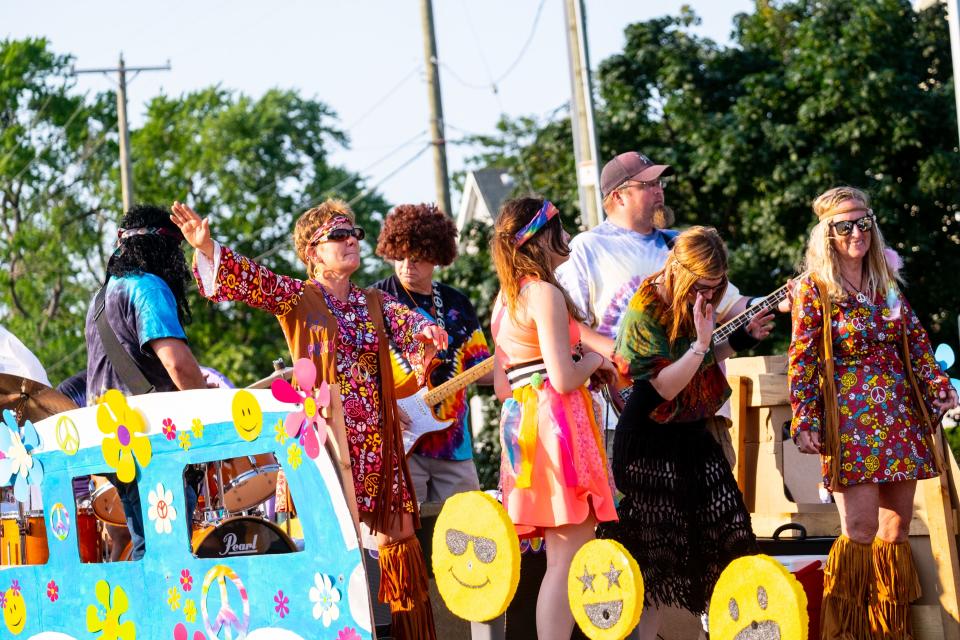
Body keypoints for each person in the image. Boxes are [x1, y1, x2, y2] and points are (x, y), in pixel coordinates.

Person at [172, 198, 446, 640]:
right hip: (324, 443)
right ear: (313, 252)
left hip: (379, 444)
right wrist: (207, 249)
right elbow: (251, 282)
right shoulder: (298, 297)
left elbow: (410, 325)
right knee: (332, 555)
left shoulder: (373, 300)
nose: (351, 241)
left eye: (354, 233)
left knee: (401, 548)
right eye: (338, 236)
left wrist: (426, 333)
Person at [788, 186, 958, 638]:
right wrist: (805, 418)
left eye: (864, 222)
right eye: (845, 225)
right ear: (827, 234)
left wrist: (939, 386)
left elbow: (918, 343)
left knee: (896, 529)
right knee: (860, 530)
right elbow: (802, 358)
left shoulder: (885, 283)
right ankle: (848, 632)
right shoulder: (813, 290)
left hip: (898, 418)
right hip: (849, 423)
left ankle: (889, 630)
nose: (857, 233)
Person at [597, 226, 773, 639]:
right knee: (653, 568)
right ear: (678, 271)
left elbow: (704, 361)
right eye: (703, 287)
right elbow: (663, 388)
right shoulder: (645, 310)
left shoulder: (695, 302)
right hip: (648, 442)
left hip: (691, 433)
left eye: (717, 287)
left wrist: (739, 339)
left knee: (728, 540)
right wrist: (702, 344)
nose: (709, 297)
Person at [556, 151, 786, 461]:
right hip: (626, 408)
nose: (659, 190)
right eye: (648, 184)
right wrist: (618, 352)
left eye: (660, 182)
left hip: (695, 406)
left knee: (714, 505)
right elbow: (566, 324)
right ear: (618, 196)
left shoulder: (680, 245)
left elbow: (732, 304)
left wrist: (781, 302)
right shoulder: (588, 247)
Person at [490, 196, 619, 639]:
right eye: (560, 228)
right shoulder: (542, 293)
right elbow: (564, 379)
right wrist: (593, 363)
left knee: (558, 559)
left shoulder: (505, 301)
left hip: (526, 433)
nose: (567, 236)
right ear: (542, 236)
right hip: (557, 428)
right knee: (567, 560)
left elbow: (503, 385)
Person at [84, 204, 208, 562]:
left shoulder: (98, 300)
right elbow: (178, 364)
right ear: (163, 249)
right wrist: (208, 405)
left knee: (146, 547)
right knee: (167, 554)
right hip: (153, 440)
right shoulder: (148, 286)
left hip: (115, 441)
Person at [372, 203, 492, 504]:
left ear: (436, 256)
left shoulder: (457, 303)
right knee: (409, 539)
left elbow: (484, 370)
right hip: (399, 445)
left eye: (417, 258)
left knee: (468, 532)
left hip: (454, 447)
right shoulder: (373, 301)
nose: (406, 266)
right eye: (399, 256)